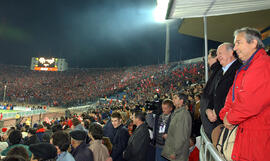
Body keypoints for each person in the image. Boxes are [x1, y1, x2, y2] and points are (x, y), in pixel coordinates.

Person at [219, 27, 270, 161]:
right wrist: (225, 114)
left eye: (238, 43)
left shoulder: (263, 65)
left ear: (253, 43)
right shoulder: (245, 68)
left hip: (258, 139)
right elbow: (232, 96)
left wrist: (229, 118)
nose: (235, 48)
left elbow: (250, 103)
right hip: (246, 134)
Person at [206, 43, 241, 130]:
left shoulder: (240, 68)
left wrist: (230, 117)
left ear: (231, 52)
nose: (218, 57)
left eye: (220, 53)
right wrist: (209, 108)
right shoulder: (219, 73)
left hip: (234, 123)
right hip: (221, 123)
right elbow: (214, 93)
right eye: (217, 55)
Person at [162, 92, 192, 161]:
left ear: (181, 101)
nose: (173, 100)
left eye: (175, 98)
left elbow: (181, 136)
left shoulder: (183, 115)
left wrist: (174, 152)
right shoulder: (177, 113)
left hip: (178, 155)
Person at [200, 49, 222, 139]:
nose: (208, 62)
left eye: (209, 59)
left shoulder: (219, 72)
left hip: (213, 123)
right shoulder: (215, 72)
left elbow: (213, 94)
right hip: (210, 123)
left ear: (216, 57)